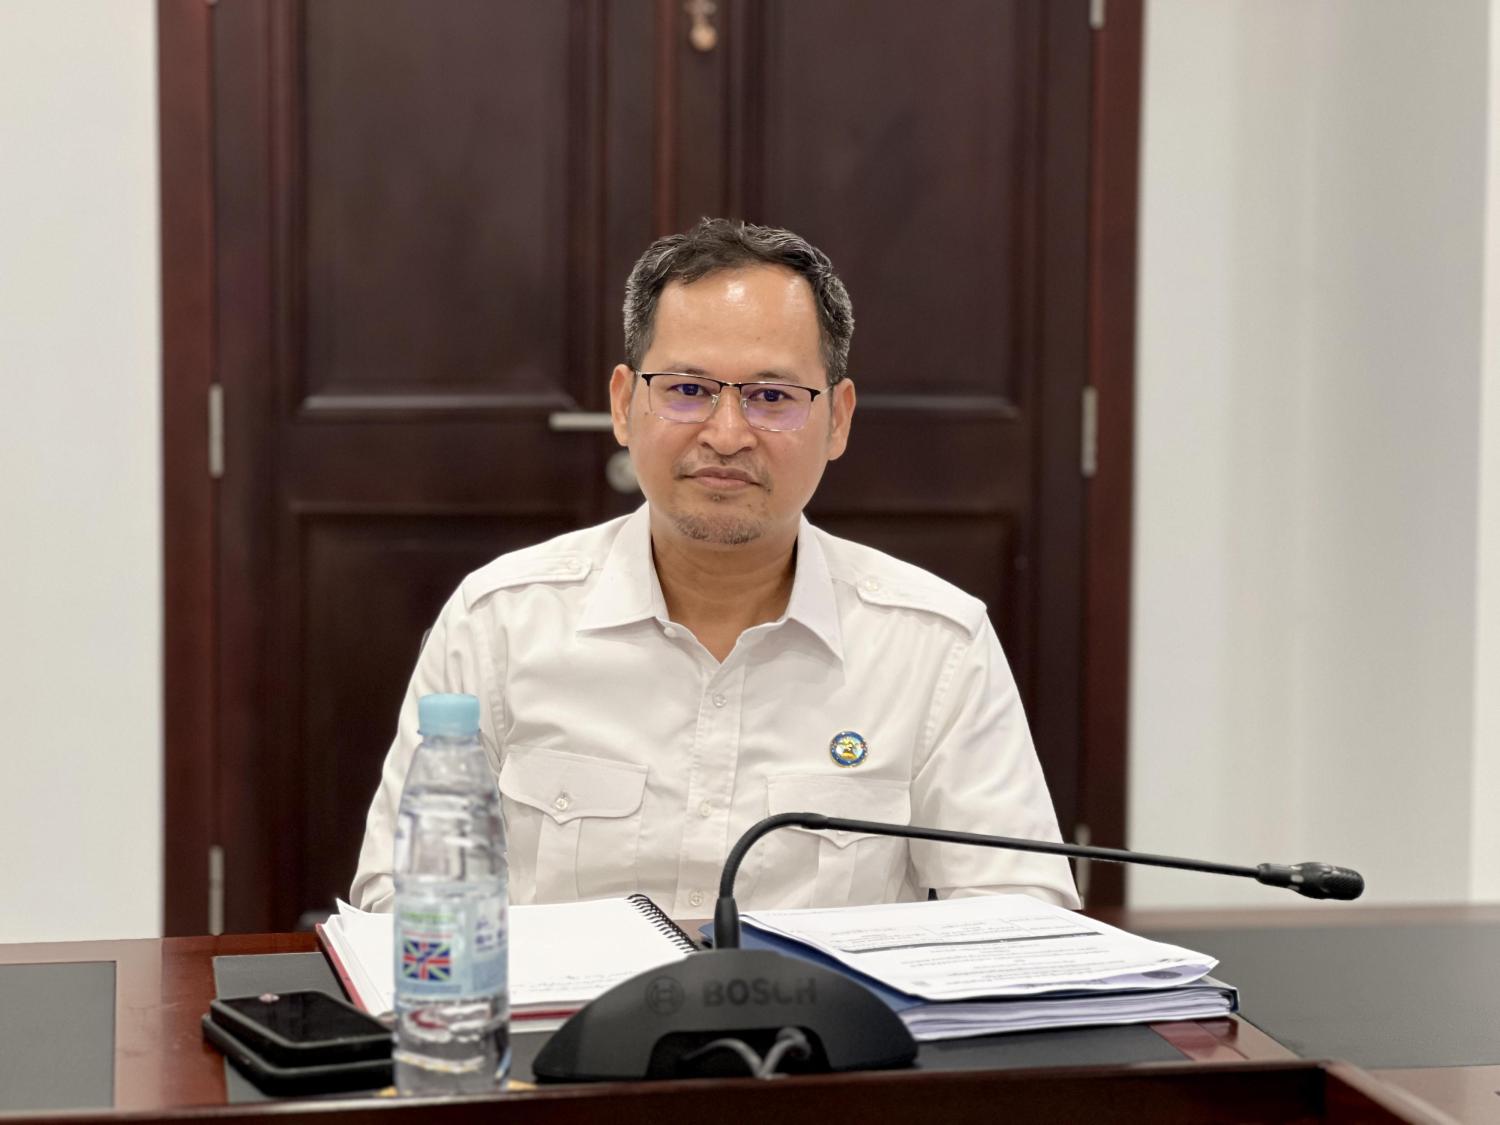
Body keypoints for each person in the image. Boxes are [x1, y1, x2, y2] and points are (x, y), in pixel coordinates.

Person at [351, 219, 1079, 917]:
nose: (727, 435)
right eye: (688, 390)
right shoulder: (499, 621)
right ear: (624, 405)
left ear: (838, 420)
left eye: (772, 397)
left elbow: (1019, 915)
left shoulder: (935, 644)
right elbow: (402, 904)